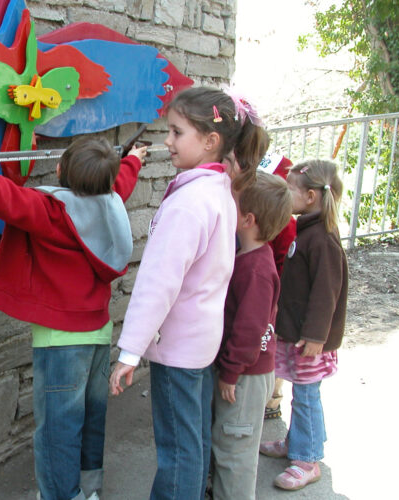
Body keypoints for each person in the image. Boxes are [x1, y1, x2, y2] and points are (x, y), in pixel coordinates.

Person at [0, 137, 147, 500]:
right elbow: (121, 183)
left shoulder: (53, 211)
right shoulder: (110, 204)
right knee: (91, 419)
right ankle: (89, 490)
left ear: (61, 171)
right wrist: (133, 161)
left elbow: (11, 199)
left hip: (61, 342)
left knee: (57, 431)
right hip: (98, 332)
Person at [109, 86, 269, 500]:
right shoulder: (218, 191)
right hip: (199, 345)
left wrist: (130, 351)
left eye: (177, 132)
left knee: (179, 452)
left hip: (178, 349)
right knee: (193, 444)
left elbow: (159, 283)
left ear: (211, 140)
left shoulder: (191, 202)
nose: (167, 141)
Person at [259, 159, 348, 491]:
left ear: (311, 196)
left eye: (291, 188)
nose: (287, 192)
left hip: (309, 339)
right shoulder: (306, 230)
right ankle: (297, 443)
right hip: (296, 334)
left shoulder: (322, 240)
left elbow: (327, 295)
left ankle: (308, 459)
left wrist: (315, 337)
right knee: (302, 393)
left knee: (307, 396)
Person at [211, 171, 293, 500]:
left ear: (247, 219)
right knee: (227, 443)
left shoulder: (257, 269)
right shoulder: (249, 257)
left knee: (235, 452)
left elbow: (249, 330)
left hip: (244, 376)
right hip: (244, 372)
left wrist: (230, 372)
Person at [258, 153, 298, 420]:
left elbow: (286, 264)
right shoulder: (281, 221)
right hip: (270, 288)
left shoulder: (286, 225)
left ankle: (272, 398)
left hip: (277, 293)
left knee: (274, 344)